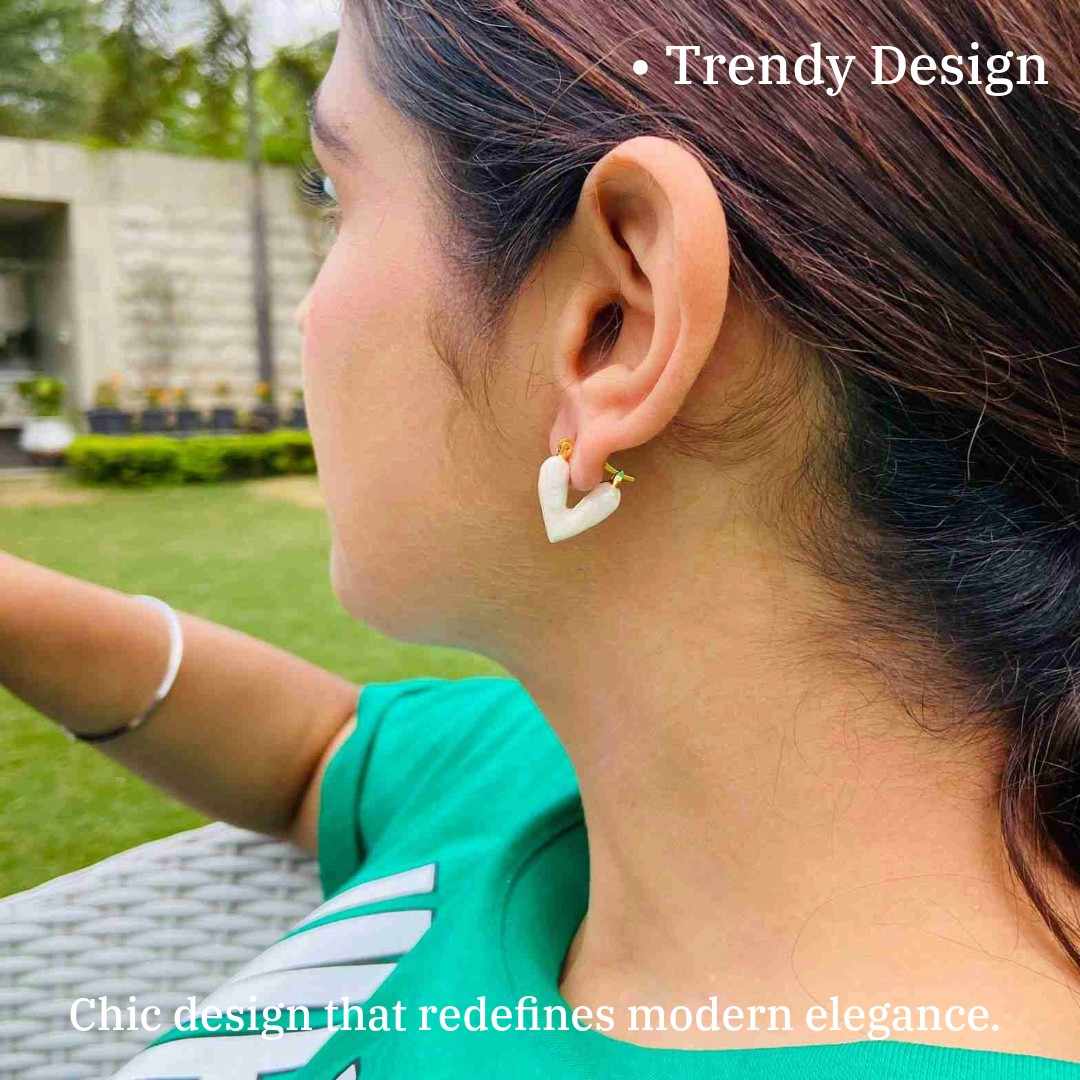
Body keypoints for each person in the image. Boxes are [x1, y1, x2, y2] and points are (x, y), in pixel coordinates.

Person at [3, 0, 1080, 1075]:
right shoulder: (571, 769)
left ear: (616, 320)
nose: (305, 314)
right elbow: (313, 754)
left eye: (334, 193)